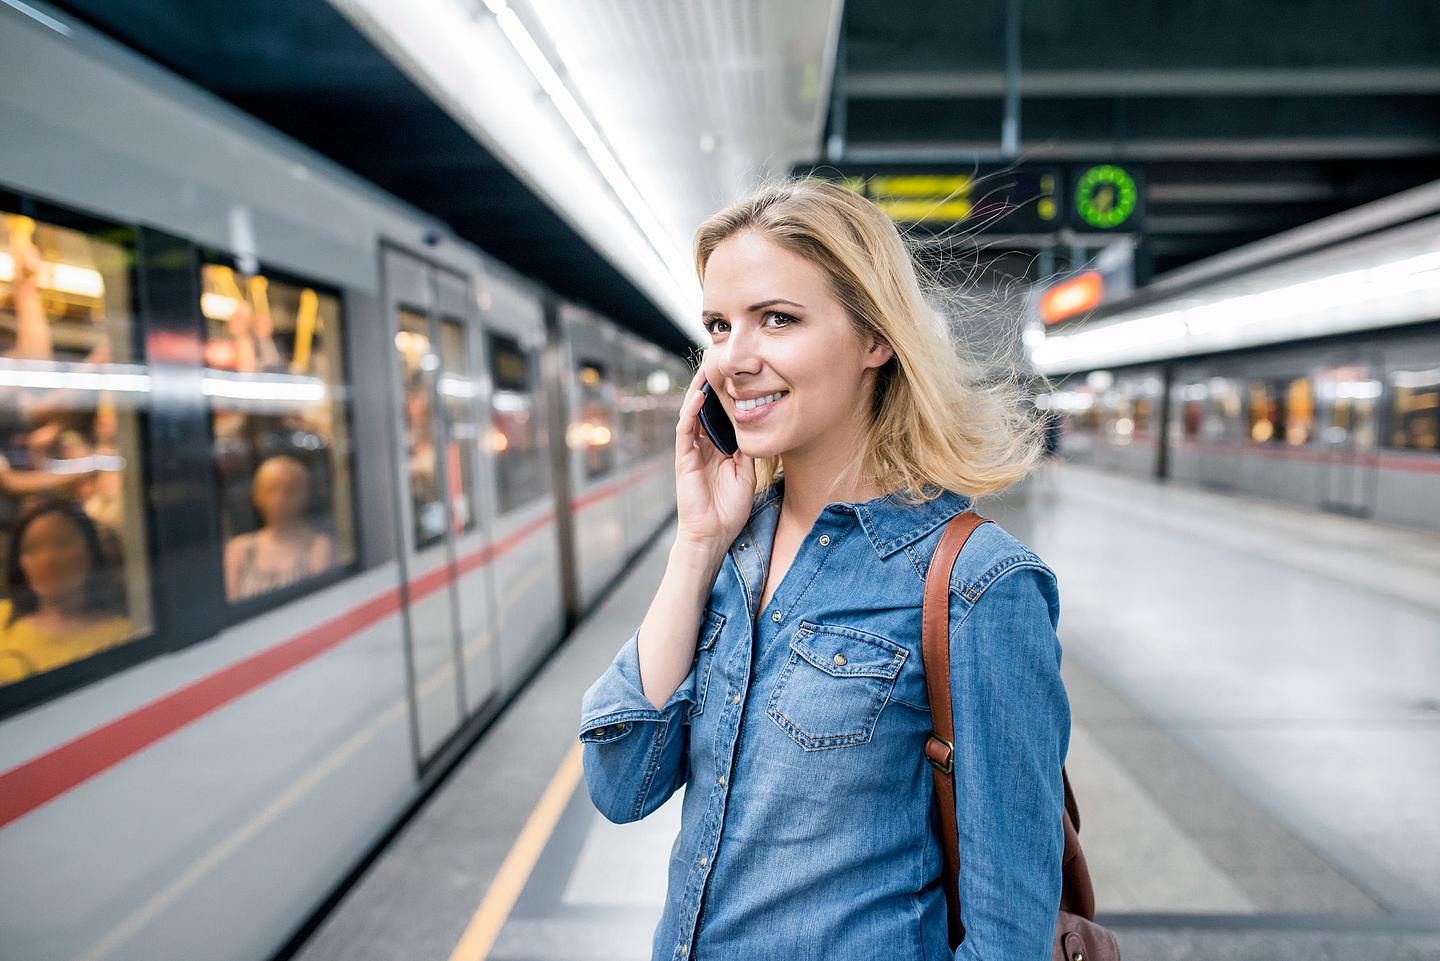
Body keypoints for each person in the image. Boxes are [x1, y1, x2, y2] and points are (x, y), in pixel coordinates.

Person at [578, 179, 1070, 961]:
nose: (734, 358)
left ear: (875, 338)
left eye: (777, 319)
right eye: (718, 325)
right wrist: (696, 545)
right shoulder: (733, 555)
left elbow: (1009, 937)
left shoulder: (977, 585)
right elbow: (622, 782)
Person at [0, 500, 131, 686]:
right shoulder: (1, 615)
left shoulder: (122, 635)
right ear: (20, 564)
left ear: (90, 553)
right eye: (32, 548)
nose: (48, 559)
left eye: (62, 544)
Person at [223, 454, 333, 602]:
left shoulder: (319, 548)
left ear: (304, 495)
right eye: (271, 489)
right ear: (257, 495)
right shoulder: (238, 550)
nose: (280, 498)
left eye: (290, 490)